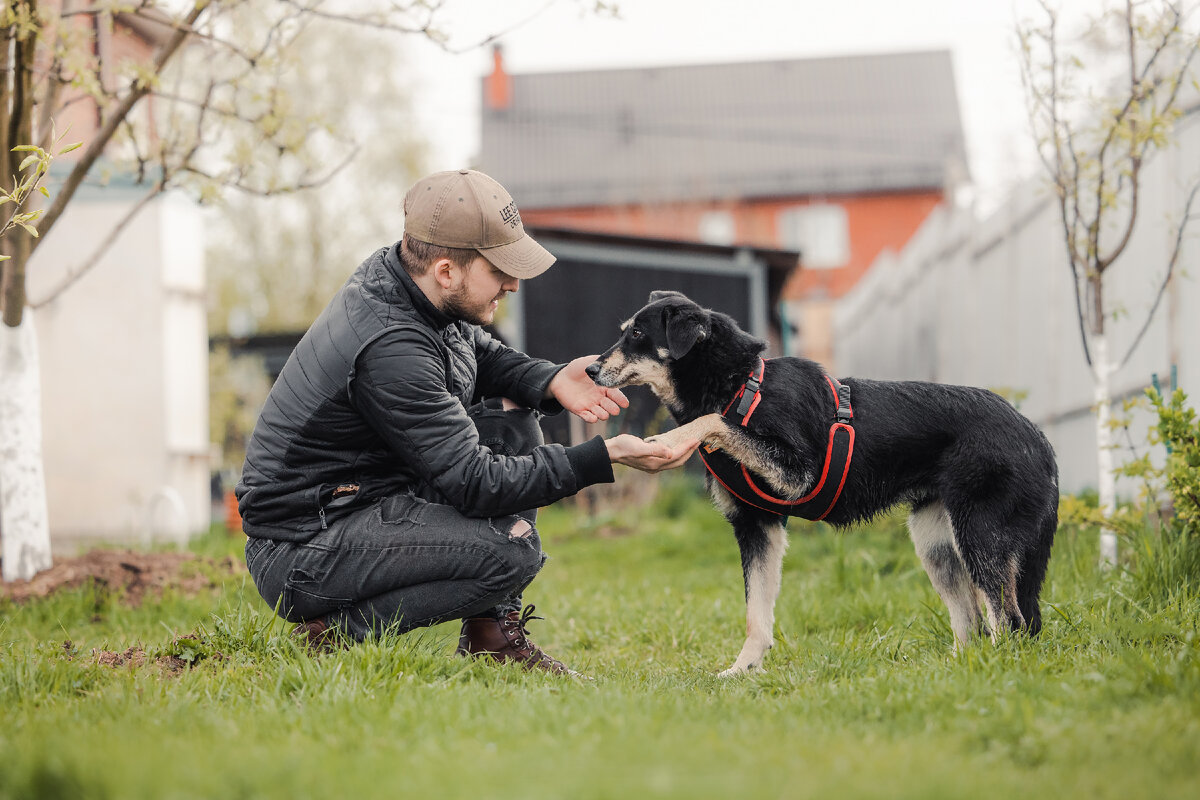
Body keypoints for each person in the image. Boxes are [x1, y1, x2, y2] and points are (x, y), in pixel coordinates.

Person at [236, 169, 698, 675]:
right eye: (499, 268)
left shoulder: (413, 287)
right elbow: (477, 483)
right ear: (446, 271)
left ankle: (490, 637)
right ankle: (334, 633)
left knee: (513, 420)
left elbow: (478, 355)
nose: (514, 283)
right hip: (304, 546)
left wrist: (549, 381)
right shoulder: (391, 346)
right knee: (511, 552)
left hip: (362, 501)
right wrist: (603, 455)